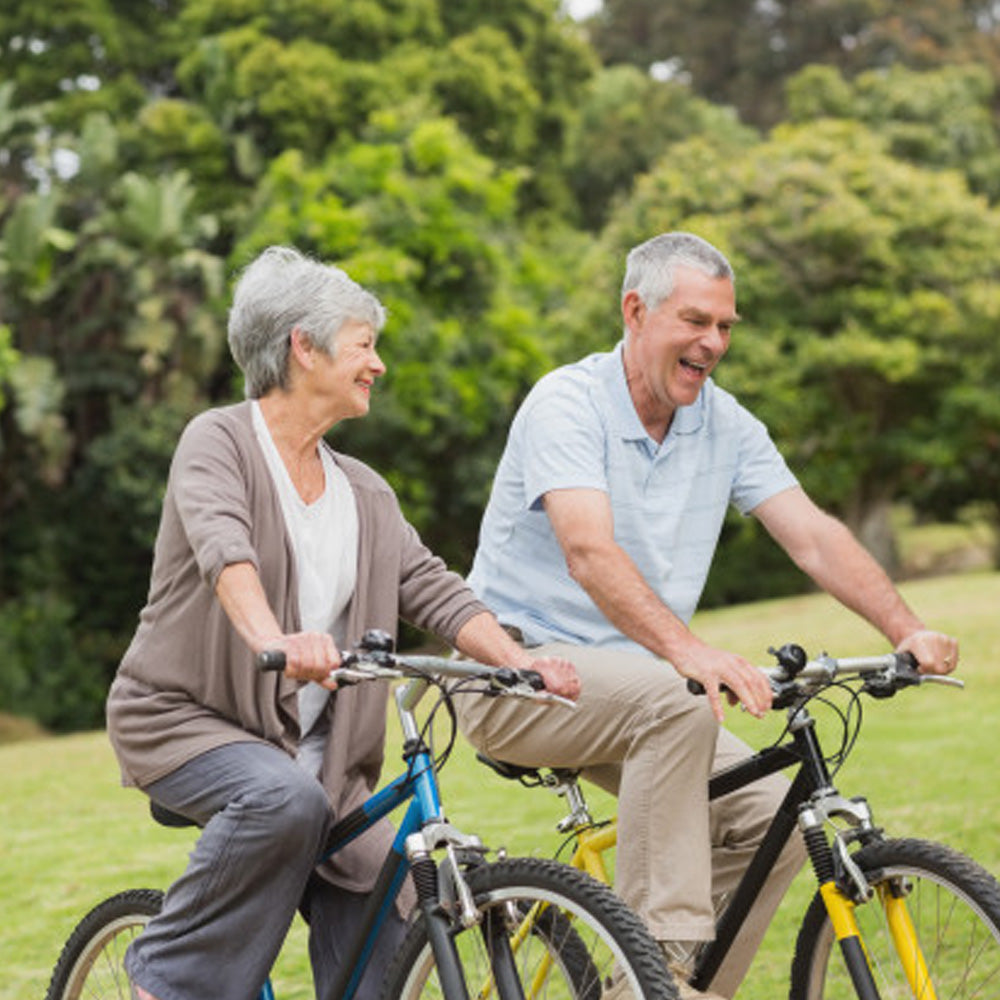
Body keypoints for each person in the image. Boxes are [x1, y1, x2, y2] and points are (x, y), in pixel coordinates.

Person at [454, 232, 960, 999]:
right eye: (695, 321)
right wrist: (687, 652)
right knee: (675, 699)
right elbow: (588, 551)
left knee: (772, 814)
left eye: (726, 325)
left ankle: (683, 985)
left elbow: (815, 536)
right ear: (635, 311)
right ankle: (647, 976)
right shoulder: (567, 402)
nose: (713, 342)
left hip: (633, 694)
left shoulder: (724, 424)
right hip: (513, 673)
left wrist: (905, 629)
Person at [106, 245, 579, 1000]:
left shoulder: (364, 490)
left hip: (330, 768)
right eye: (365, 345)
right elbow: (226, 553)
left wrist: (517, 660)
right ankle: (163, 983)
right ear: (303, 345)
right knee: (283, 801)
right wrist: (273, 640)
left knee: (382, 937)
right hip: (187, 721)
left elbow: (433, 589)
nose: (378, 365)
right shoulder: (217, 443)